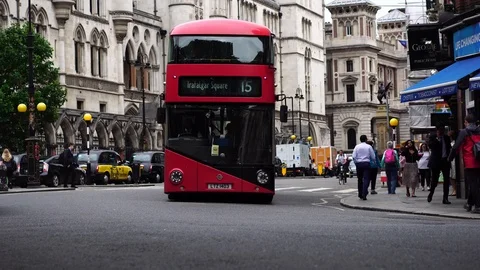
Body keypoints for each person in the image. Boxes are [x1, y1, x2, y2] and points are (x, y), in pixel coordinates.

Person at [448, 114, 480, 213]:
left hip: (470, 161)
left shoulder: (464, 132)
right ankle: (469, 203)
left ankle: (478, 206)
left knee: (473, 184)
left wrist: (450, 158)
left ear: (466, 122)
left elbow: (456, 146)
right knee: (475, 183)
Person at [428, 124, 452, 204]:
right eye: (440, 130)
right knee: (434, 180)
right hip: (436, 161)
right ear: (437, 130)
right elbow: (430, 146)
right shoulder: (433, 137)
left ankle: (445, 198)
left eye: (442, 130)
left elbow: (449, 148)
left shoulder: (446, 138)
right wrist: (437, 139)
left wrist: (449, 158)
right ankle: (431, 194)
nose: (441, 132)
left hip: (445, 161)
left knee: (446, 180)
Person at [352, 135, 376, 200]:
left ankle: (360, 194)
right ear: (365, 139)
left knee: (359, 179)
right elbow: (373, 156)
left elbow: (354, 156)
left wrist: (356, 162)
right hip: (366, 163)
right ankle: (364, 193)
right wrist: (373, 162)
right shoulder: (369, 147)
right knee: (366, 179)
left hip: (359, 164)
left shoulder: (357, 147)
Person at [448, 130, 457, 197]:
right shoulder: (450, 143)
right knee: (451, 175)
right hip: (451, 160)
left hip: (454, 160)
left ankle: (455, 189)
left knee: (454, 174)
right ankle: (454, 189)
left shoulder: (455, 143)